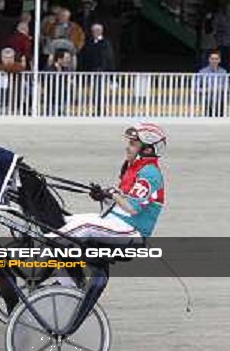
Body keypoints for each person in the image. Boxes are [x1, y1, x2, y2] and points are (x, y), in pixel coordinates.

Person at [47, 123, 167, 330]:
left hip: (132, 232)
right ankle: (65, 284)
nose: (128, 147)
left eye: (132, 143)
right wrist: (101, 196)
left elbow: (131, 208)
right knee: (67, 222)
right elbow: (118, 206)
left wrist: (112, 194)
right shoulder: (132, 169)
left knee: (83, 226)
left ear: (147, 149)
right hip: (117, 223)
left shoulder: (150, 174)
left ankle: (44, 256)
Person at [0, 47, 26, 115]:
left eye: (10, 57)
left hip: (16, 104)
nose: (8, 59)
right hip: (2, 103)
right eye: (5, 57)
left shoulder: (17, 66)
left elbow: (17, 68)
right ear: (2, 58)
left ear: (13, 58)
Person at [197, 50, 227, 116]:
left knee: (220, 121)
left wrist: (215, 89)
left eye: (216, 59)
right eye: (212, 59)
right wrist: (207, 90)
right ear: (209, 60)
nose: (214, 61)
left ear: (219, 60)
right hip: (207, 101)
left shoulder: (223, 72)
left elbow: (227, 88)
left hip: (220, 101)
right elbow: (197, 88)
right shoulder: (202, 72)